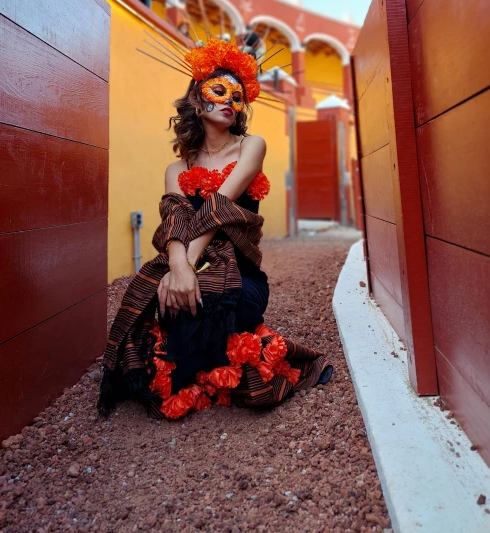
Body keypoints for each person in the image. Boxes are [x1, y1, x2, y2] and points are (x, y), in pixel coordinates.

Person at [98, 39, 332, 420]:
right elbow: (174, 220)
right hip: (186, 269)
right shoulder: (177, 168)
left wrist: (185, 269)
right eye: (219, 90)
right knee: (165, 305)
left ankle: (258, 357)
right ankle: (212, 361)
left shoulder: (251, 146)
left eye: (237, 97)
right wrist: (176, 268)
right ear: (196, 98)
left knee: (204, 308)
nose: (229, 101)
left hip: (242, 277)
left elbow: (219, 208)